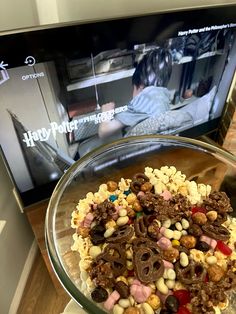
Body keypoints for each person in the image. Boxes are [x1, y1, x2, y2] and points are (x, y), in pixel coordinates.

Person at [98, 47, 172, 138]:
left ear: (140, 85)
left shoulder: (143, 100)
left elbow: (103, 132)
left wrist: (106, 113)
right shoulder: (164, 97)